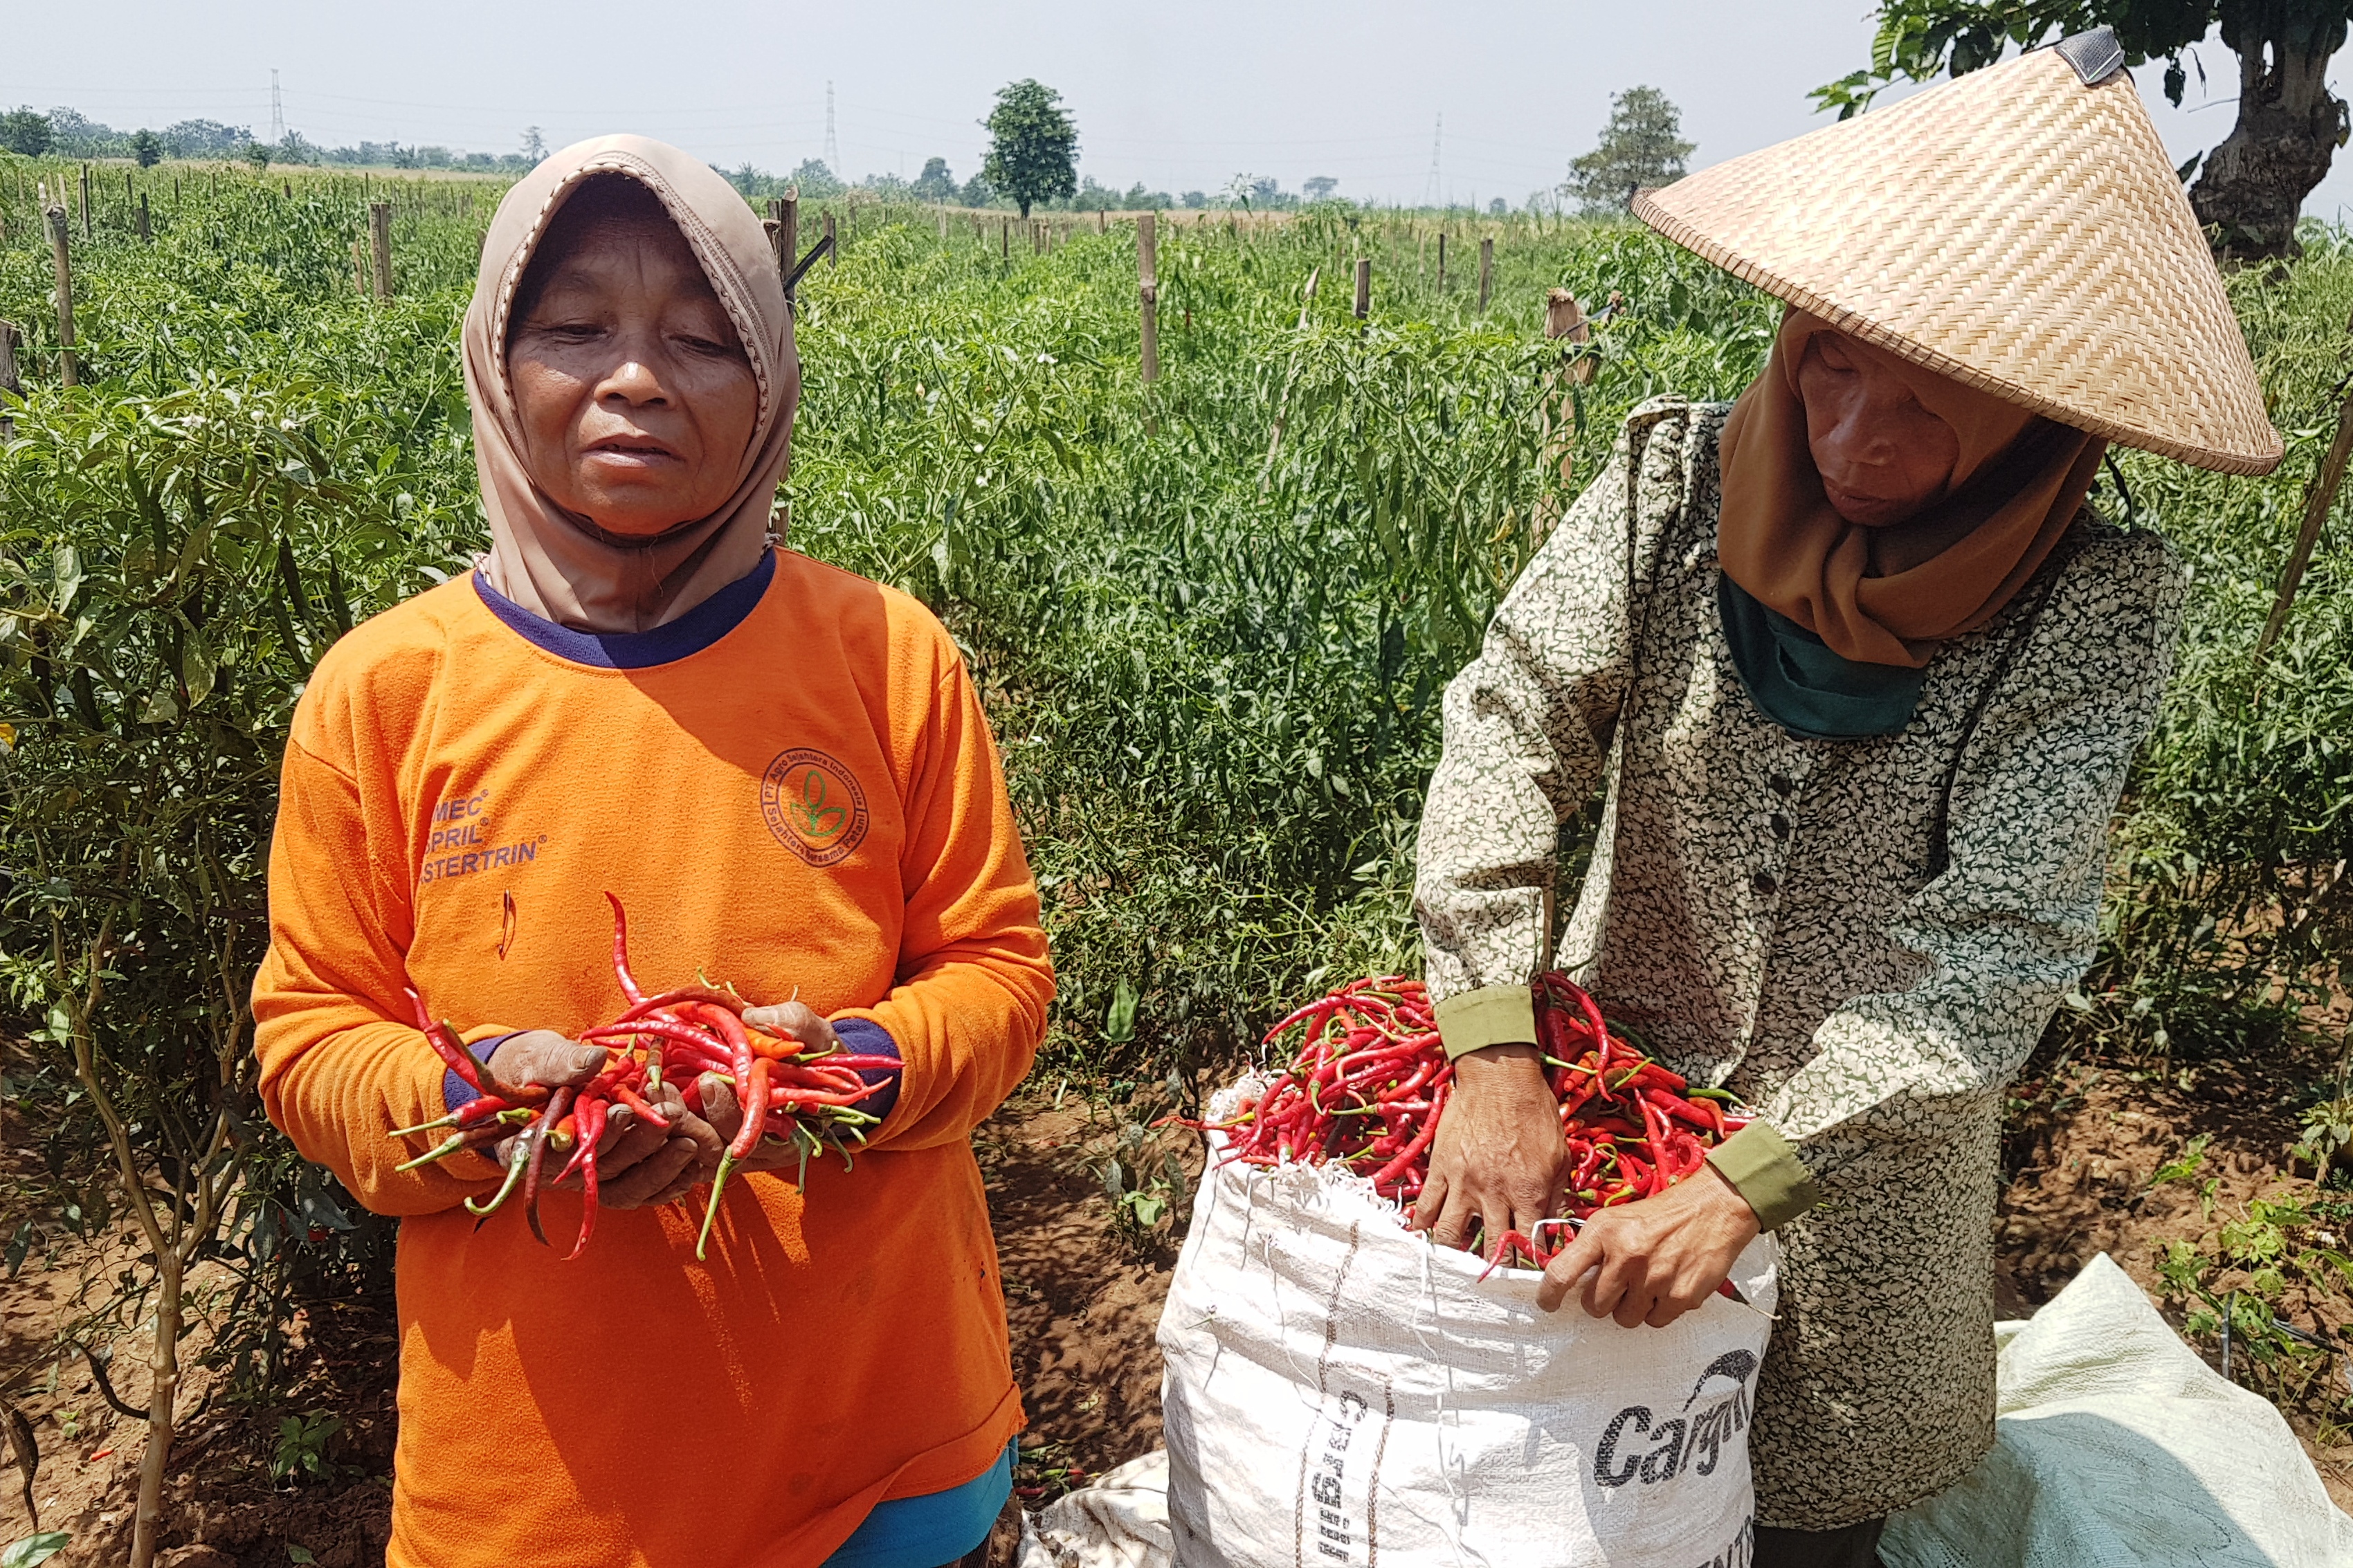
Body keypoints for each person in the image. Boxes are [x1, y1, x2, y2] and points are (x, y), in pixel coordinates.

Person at [1406, 31, 2279, 1568]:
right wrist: (1489, 1042)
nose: (1854, 439)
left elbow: (1993, 945)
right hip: (1610, 1128)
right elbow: (1506, 717)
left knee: (1802, 1527)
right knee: (1577, 1503)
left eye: (1932, 401)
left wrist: (1749, 1180)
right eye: (1831, 364)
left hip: (1862, 1216)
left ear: (2037, 413)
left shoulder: (2089, 604)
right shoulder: (1669, 485)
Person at [252, 136, 1053, 1568]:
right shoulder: (382, 693)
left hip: (879, 1445)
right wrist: (475, 1100)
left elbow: (998, 974)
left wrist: (829, 1073)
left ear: (768, 388)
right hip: (541, 1488)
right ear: (499, 368)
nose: (635, 378)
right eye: (573, 328)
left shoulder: (886, 659)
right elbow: (311, 1038)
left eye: (700, 338)